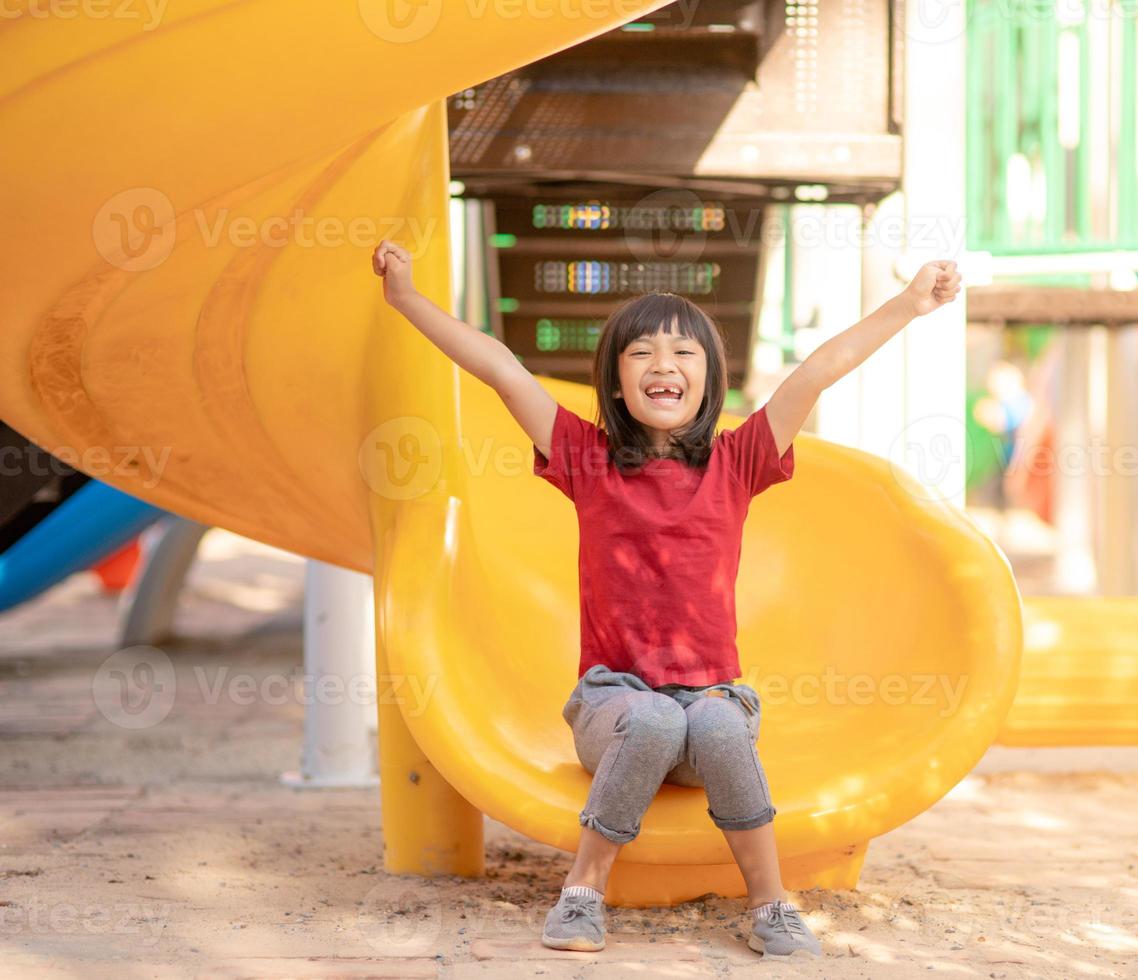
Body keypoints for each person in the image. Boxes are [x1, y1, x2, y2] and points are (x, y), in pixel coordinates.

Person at [371, 239, 962, 958]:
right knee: (651, 720)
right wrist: (405, 298)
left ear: (709, 380)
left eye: (684, 353)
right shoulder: (584, 458)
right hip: (612, 702)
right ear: (615, 384)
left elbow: (817, 374)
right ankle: (583, 892)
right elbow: (500, 367)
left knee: (716, 726)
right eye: (642, 352)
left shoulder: (739, 460)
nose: (663, 365)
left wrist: (909, 304)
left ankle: (771, 905)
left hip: (712, 695)